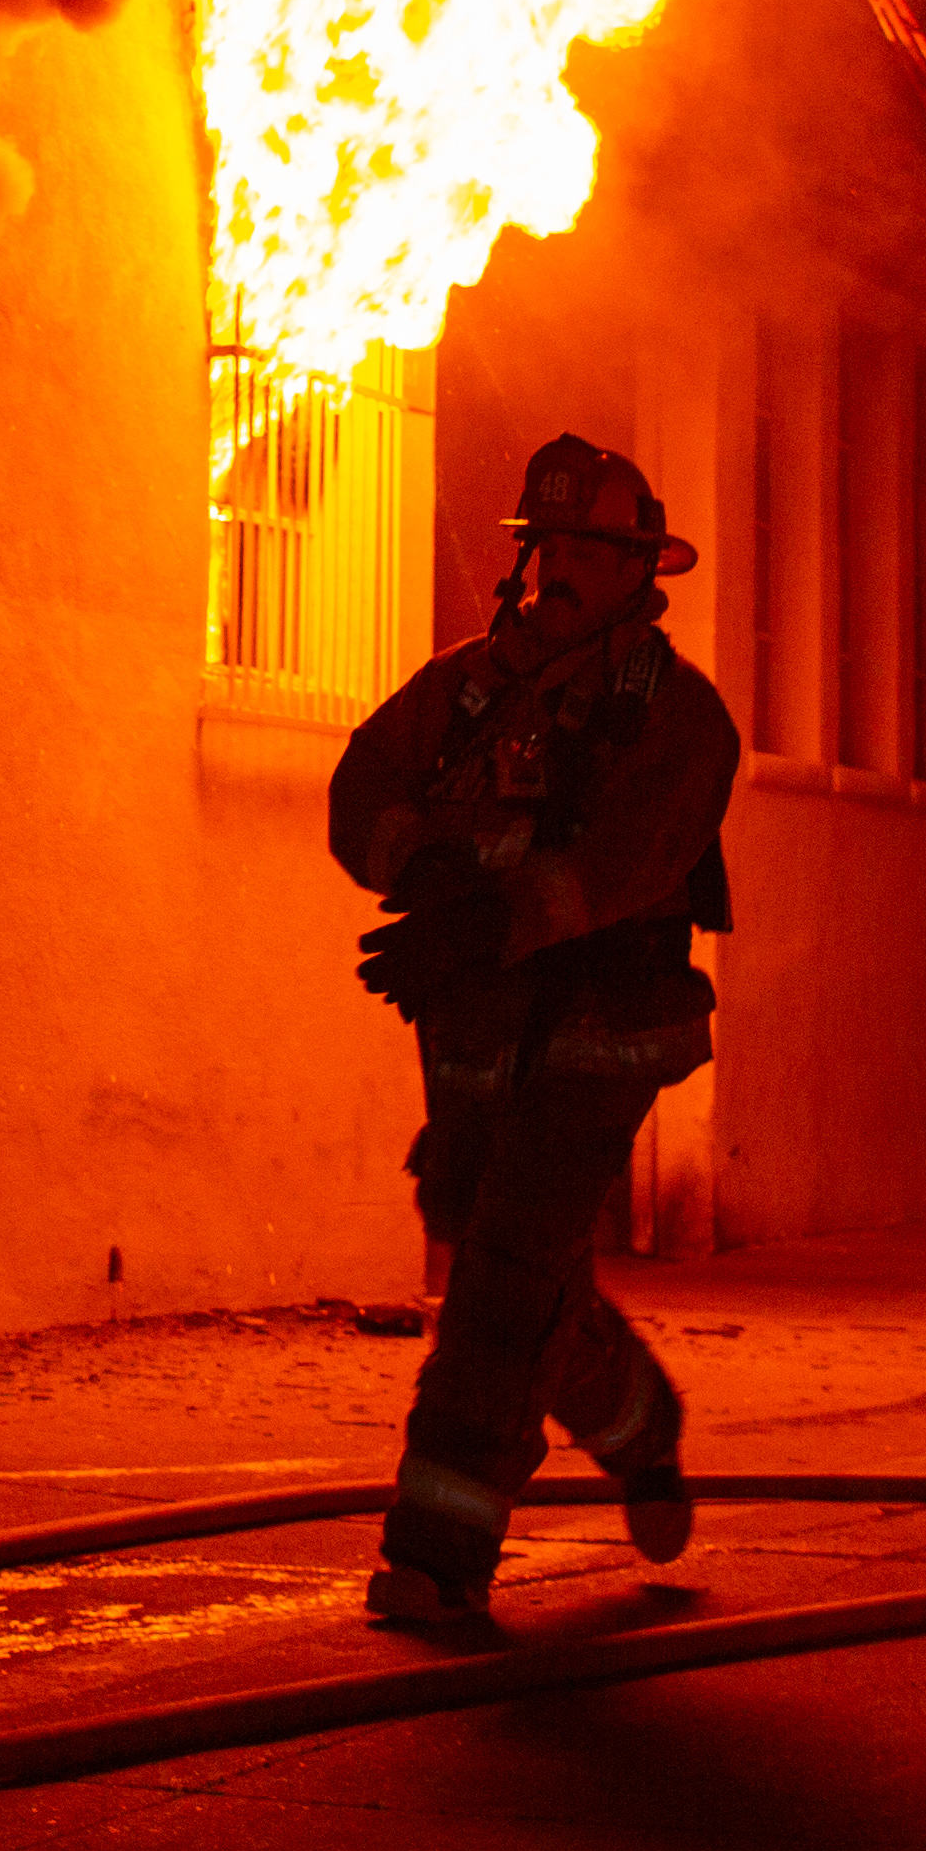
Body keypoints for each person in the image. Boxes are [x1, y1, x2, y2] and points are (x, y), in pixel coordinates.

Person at [329, 433, 739, 1628]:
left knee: (506, 1265)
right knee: (486, 1240)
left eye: (585, 549)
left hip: (599, 1028)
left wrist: (482, 921)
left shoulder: (677, 715)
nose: (558, 565)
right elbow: (361, 784)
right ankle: (636, 1420)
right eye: (544, 544)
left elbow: (618, 865)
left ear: (635, 570)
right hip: (472, 1024)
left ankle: (440, 1550)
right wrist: (419, 862)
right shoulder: (462, 685)